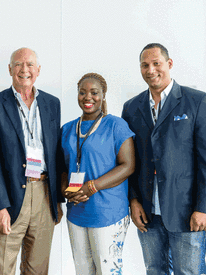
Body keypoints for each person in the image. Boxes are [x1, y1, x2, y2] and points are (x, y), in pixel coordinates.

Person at [121, 43, 206, 274]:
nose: (151, 70)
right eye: (145, 65)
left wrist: (205, 208)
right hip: (148, 212)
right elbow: (130, 160)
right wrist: (133, 200)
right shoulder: (131, 108)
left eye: (156, 63)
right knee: (155, 270)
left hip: (187, 211)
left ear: (170, 64)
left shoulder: (197, 101)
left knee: (188, 271)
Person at [0, 47, 63, 275]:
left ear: (38, 70)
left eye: (29, 65)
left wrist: (56, 199)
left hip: (45, 194)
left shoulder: (52, 103)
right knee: (2, 269)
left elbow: (55, 153)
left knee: (37, 269)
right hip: (9, 196)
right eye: (18, 64)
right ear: (9, 69)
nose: (24, 70)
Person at [60, 73, 135, 274]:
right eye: (82, 92)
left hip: (107, 212)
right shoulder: (67, 128)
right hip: (76, 213)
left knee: (107, 269)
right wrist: (64, 189)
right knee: (83, 270)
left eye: (94, 92)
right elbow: (62, 167)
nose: (88, 97)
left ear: (103, 95)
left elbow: (128, 165)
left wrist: (92, 186)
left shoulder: (116, 125)